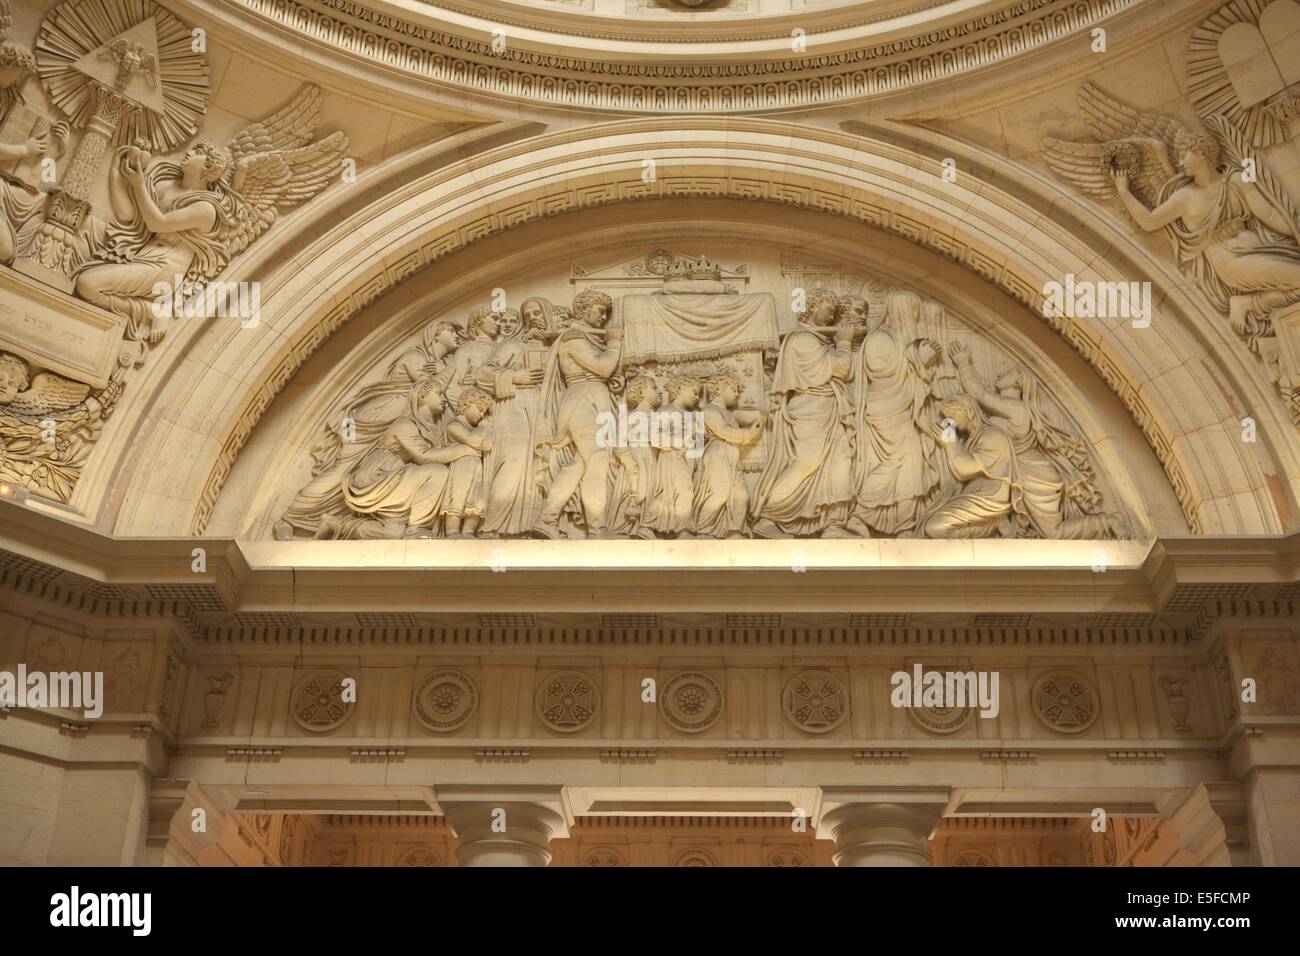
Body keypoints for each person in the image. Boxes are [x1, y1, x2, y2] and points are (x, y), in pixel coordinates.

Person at [750, 289, 862, 537]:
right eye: (828, 309)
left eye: (835, 312)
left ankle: (833, 522)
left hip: (830, 407)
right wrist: (844, 341)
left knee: (840, 460)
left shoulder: (818, 339)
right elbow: (841, 369)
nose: (832, 317)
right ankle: (768, 516)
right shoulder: (803, 340)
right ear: (812, 307)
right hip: (810, 408)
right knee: (807, 462)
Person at [322, 375, 479, 539]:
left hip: (402, 480)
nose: (444, 400)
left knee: (393, 534)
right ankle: (416, 528)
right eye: (439, 394)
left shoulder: (435, 428)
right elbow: (423, 456)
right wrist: (463, 450)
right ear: (422, 396)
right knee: (437, 472)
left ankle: (333, 524)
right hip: (379, 476)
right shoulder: (404, 424)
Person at [532, 289, 620, 538]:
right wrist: (614, 343)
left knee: (579, 465)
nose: (604, 318)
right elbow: (602, 368)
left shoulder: (582, 337)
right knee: (598, 460)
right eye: (600, 311)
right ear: (584, 309)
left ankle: (547, 519)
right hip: (584, 400)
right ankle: (596, 529)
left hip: (592, 397)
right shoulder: (573, 336)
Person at [693, 369, 763, 538]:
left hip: (732, 455)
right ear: (719, 388)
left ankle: (734, 530)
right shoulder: (709, 411)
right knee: (720, 493)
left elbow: (745, 416)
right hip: (717, 454)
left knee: (742, 495)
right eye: (734, 389)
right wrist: (751, 432)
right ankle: (704, 529)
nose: (738, 394)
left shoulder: (729, 413)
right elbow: (725, 432)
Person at [441, 386, 494, 537]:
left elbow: (486, 446)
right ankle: (452, 532)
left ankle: (469, 531)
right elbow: (476, 442)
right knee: (458, 497)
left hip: (477, 469)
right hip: (461, 469)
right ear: (466, 405)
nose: (482, 415)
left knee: (476, 500)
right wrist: (483, 427)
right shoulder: (454, 426)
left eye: (484, 412)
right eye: (479, 409)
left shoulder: (473, 429)